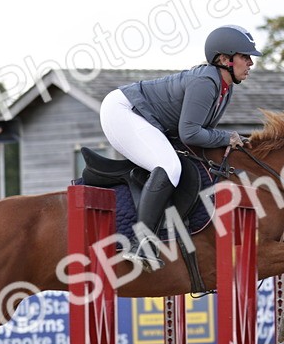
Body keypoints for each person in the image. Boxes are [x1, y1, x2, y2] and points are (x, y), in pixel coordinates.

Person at [98, 24, 262, 271]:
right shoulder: (206, 81)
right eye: (244, 56)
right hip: (122, 112)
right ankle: (141, 243)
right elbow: (191, 133)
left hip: (145, 119)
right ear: (224, 59)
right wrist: (227, 137)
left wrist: (227, 140)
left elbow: (198, 135)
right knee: (169, 166)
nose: (250, 63)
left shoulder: (225, 88)